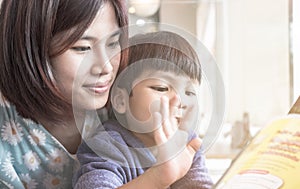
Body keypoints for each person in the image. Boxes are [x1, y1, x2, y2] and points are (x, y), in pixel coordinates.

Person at [0, 1, 202, 188]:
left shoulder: (126, 111)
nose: (106, 67)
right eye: (82, 48)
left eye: (113, 43)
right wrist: (159, 177)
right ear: (29, 47)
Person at [73, 31, 213, 189]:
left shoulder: (186, 143)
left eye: (189, 92)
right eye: (161, 88)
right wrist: (158, 177)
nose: (179, 101)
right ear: (121, 100)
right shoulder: (108, 146)